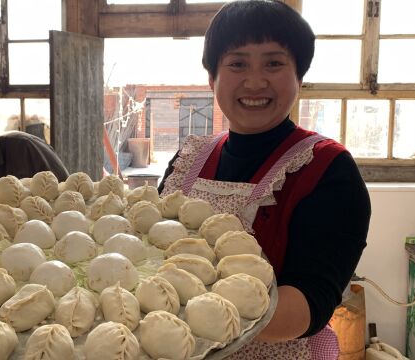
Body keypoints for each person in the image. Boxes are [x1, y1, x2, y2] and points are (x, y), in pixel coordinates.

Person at [158, 1, 370, 358]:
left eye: (274, 63)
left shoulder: (326, 170)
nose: (255, 81)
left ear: (299, 76)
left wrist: (180, 310)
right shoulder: (188, 160)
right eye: (237, 63)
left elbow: (307, 306)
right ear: (213, 78)